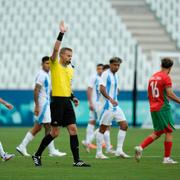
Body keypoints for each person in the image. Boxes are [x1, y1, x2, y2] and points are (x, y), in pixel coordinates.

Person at [32, 21, 90, 167]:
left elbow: (68, 86)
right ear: (62, 55)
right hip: (57, 102)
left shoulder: (71, 69)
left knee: (73, 129)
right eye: (68, 55)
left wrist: (73, 97)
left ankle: (77, 160)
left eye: (71, 55)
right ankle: (37, 155)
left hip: (67, 102)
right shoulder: (55, 64)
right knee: (55, 132)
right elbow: (55, 49)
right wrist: (61, 33)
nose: (70, 57)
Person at [16, 57, 66, 157]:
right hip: (42, 105)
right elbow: (36, 90)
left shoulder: (47, 75)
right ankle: (51, 150)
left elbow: (45, 90)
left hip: (45, 104)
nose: (48, 65)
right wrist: (37, 106)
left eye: (49, 63)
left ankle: (22, 146)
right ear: (42, 64)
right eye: (46, 63)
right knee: (48, 126)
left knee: (39, 127)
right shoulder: (42, 75)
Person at [135, 58, 180, 164]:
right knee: (168, 131)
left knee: (158, 132)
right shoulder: (166, 78)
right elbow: (169, 94)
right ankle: (166, 158)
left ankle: (140, 148)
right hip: (163, 108)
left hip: (153, 108)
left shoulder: (153, 77)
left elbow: (148, 94)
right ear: (170, 68)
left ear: (161, 65)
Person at [96, 57, 130, 159]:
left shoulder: (116, 76)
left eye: (118, 65)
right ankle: (98, 153)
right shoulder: (106, 74)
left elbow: (114, 88)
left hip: (115, 106)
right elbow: (101, 88)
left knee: (124, 125)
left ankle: (119, 150)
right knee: (103, 128)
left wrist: (115, 92)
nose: (117, 67)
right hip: (107, 106)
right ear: (110, 65)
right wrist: (110, 98)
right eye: (115, 65)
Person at [82, 64, 114, 154]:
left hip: (99, 104)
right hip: (99, 104)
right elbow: (89, 89)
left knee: (96, 122)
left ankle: (105, 145)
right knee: (105, 125)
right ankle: (89, 142)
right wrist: (90, 103)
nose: (100, 70)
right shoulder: (97, 78)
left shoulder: (102, 79)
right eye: (99, 69)